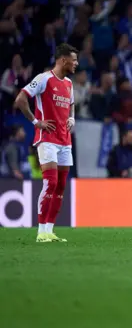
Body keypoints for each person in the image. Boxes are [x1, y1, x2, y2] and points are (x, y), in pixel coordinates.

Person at [13, 43, 78, 243]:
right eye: (74, 60)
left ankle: (49, 230)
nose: (76, 64)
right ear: (63, 60)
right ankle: (41, 231)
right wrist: (36, 122)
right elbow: (20, 99)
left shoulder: (68, 83)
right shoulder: (43, 79)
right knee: (50, 183)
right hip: (47, 139)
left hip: (64, 140)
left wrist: (71, 118)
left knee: (60, 186)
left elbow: (71, 105)